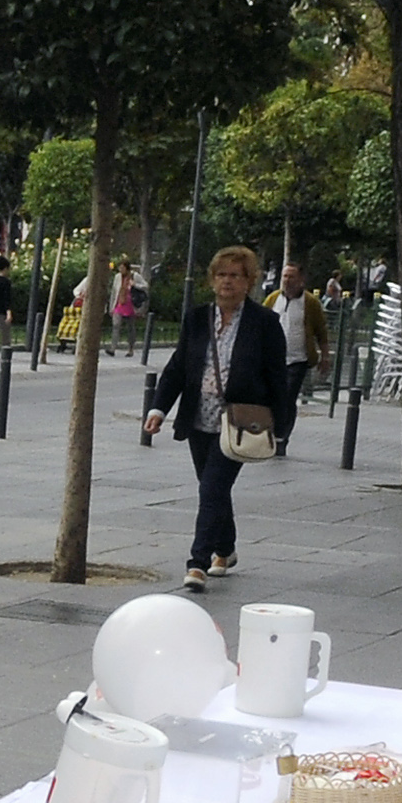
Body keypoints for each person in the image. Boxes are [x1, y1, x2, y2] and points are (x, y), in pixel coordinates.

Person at [142, 245, 288, 593]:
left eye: (235, 276)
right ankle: (226, 548)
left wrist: (280, 426)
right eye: (221, 275)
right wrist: (158, 409)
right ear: (212, 280)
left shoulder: (264, 323)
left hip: (238, 421)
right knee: (213, 489)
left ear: (248, 281)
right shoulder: (197, 319)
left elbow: (277, 378)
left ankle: (198, 562)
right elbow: (178, 367)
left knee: (212, 488)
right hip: (199, 417)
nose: (227, 282)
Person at [263, 261, 331, 448]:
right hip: (273, 360)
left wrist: (325, 357)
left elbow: (321, 332)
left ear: (301, 279)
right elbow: (260, 325)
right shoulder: (273, 299)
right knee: (271, 397)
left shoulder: (310, 303)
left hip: (297, 360)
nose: (287, 280)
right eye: (285, 276)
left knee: (287, 397)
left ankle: (282, 437)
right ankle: (270, 432)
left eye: (291, 276)